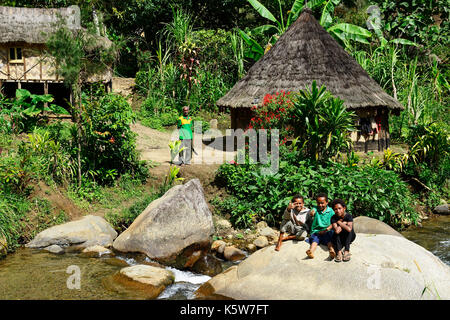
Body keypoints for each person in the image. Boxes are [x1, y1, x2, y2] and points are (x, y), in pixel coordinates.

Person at [306, 193, 336, 259]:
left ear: (327, 202)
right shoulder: (316, 209)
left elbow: (334, 222)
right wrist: (312, 213)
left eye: (322, 203)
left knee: (329, 240)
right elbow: (313, 211)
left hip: (326, 231)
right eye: (318, 203)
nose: (320, 205)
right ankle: (311, 251)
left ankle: (332, 250)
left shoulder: (330, 211)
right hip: (316, 231)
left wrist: (327, 229)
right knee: (315, 240)